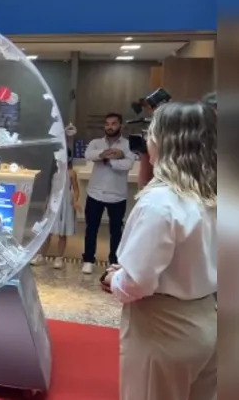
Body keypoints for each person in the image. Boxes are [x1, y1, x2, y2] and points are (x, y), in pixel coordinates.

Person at [101, 101, 217, 400]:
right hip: (208, 318)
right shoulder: (212, 193)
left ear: (164, 142)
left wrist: (113, 278)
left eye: (150, 134)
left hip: (164, 327)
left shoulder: (160, 203)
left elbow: (136, 284)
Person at [81, 113, 136, 274]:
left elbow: (127, 164)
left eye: (113, 123)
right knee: (91, 228)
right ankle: (88, 260)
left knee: (116, 231)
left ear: (121, 126)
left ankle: (114, 262)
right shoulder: (95, 142)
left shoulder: (128, 145)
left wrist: (108, 160)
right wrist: (109, 153)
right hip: (95, 193)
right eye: (107, 124)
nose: (110, 127)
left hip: (117, 195)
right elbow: (88, 155)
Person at [31, 151, 79, 269]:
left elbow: (76, 189)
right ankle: (41, 256)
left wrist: (75, 201)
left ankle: (59, 258)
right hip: (53, 202)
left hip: (65, 203)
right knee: (46, 231)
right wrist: (46, 203)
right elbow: (50, 189)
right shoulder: (54, 173)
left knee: (62, 233)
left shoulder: (71, 173)